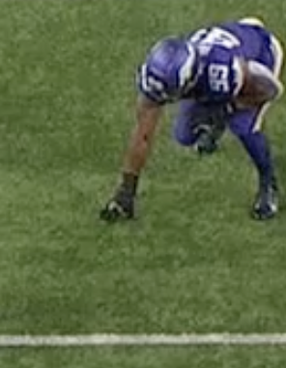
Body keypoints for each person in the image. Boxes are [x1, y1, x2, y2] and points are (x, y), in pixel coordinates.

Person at [101, 20, 279, 221]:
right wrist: (127, 190)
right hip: (216, 77)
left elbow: (269, 90)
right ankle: (215, 122)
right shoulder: (164, 76)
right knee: (184, 135)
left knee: (243, 126)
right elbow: (143, 135)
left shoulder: (221, 71)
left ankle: (268, 183)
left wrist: (229, 108)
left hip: (260, 54)